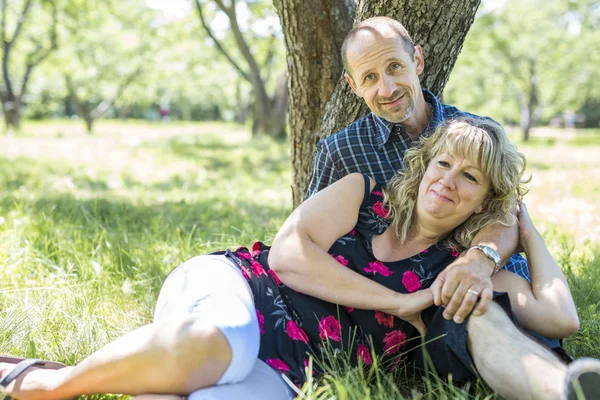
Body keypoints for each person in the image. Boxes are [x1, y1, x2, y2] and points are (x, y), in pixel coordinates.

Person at [0, 118, 595, 400]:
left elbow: (560, 319)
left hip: (293, 368)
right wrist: (400, 301)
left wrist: (523, 221)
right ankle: (47, 383)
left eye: (470, 178)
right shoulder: (362, 193)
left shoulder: (466, 266)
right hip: (245, 291)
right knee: (214, 342)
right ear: (425, 162)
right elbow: (287, 258)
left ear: (484, 199)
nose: (449, 181)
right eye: (444, 163)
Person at [306, 16, 535, 328]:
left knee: (534, 332)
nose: (386, 88)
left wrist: (480, 260)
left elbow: (507, 213)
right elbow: (310, 242)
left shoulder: (476, 134)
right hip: (407, 309)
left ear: (417, 59)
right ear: (354, 86)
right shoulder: (340, 153)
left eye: (395, 67)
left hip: (491, 284)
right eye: (369, 77)